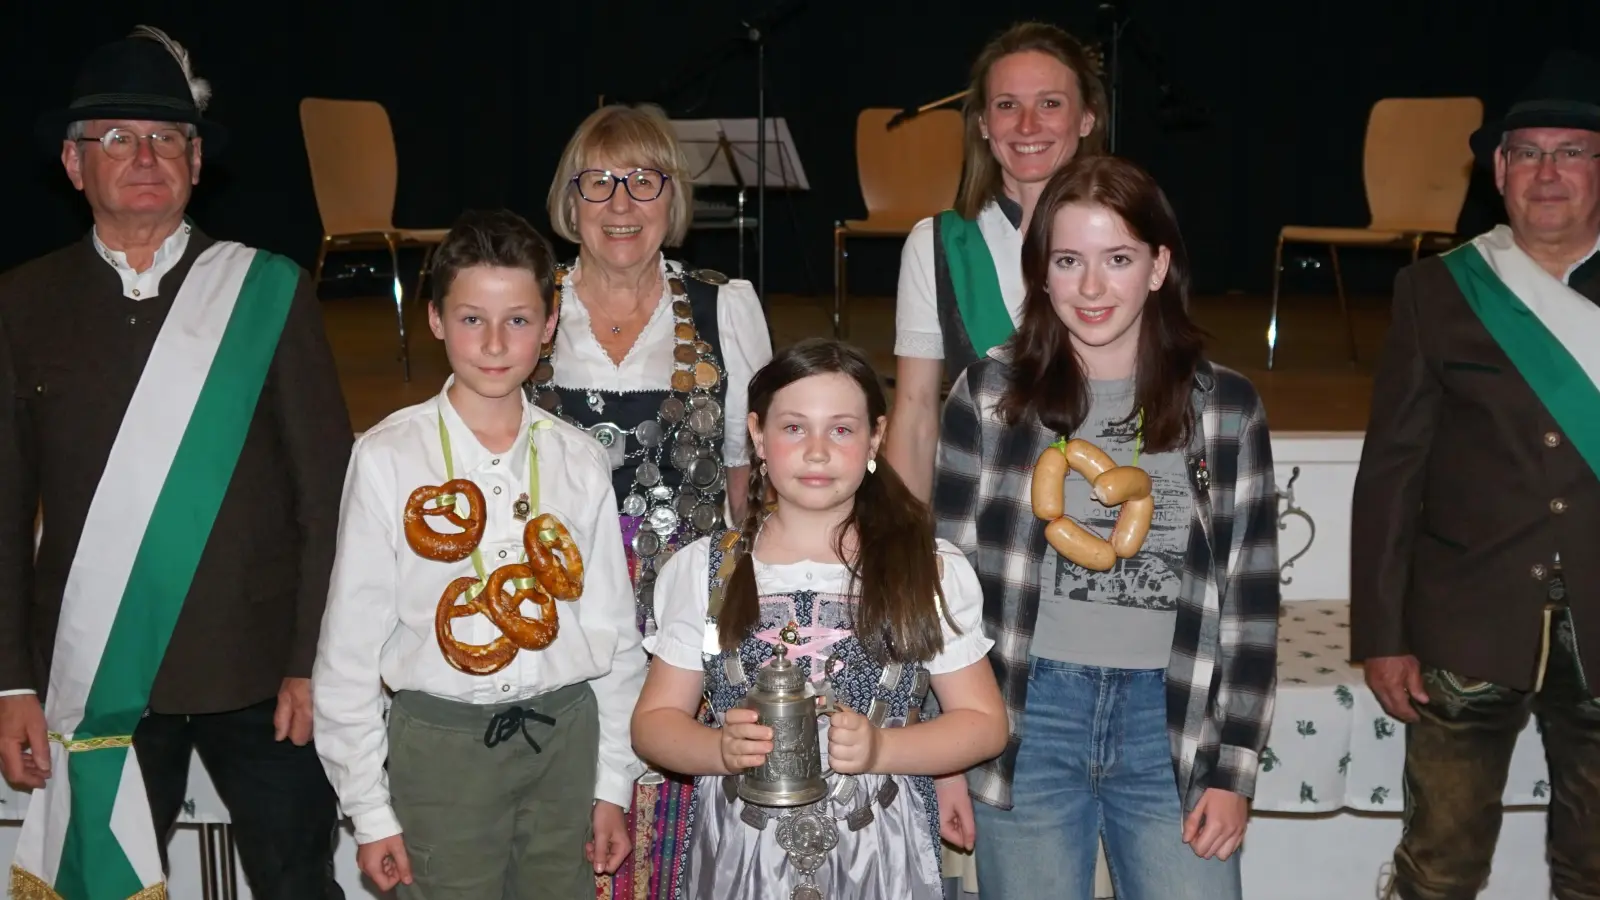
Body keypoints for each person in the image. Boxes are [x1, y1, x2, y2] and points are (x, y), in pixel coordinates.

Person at [0, 25, 351, 900]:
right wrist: (11, 681)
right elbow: (5, 510)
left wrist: (313, 659)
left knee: (298, 885)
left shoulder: (270, 291)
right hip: (101, 683)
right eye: (116, 138)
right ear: (74, 166)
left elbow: (329, 499)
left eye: (166, 138)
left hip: (263, 675)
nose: (145, 156)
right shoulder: (22, 301)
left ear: (197, 161)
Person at [933, 155, 1281, 899]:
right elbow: (945, 593)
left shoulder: (1225, 409)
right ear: (1041, 273)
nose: (1091, 288)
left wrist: (1235, 767)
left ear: (1158, 266)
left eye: (1117, 259)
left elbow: (1251, 610)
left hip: (1174, 727)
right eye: (1069, 261)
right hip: (1025, 719)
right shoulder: (988, 398)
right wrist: (945, 757)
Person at [312, 209, 647, 898]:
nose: (495, 343)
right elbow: (348, 652)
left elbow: (614, 638)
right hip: (440, 753)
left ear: (550, 324)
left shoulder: (579, 461)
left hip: (566, 740)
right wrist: (369, 810)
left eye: (519, 320)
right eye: (471, 319)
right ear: (434, 319)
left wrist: (614, 782)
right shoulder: (386, 459)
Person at [631, 337, 1008, 900]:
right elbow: (654, 721)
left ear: (875, 437)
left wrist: (884, 750)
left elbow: (983, 723)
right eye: (793, 428)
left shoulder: (927, 568)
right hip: (740, 855)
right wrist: (717, 750)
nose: (816, 451)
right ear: (757, 435)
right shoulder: (703, 570)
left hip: (881, 850)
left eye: (841, 429)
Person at [1350, 50, 1600, 900]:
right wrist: (1382, 632)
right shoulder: (1437, 290)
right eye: (1527, 152)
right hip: (1464, 620)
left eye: (1572, 152)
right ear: (1497, 171)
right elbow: (1392, 469)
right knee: (1440, 868)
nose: (1548, 173)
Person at [535, 102, 773, 899]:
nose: (622, 204)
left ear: (673, 199)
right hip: (558, 614)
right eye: (598, 183)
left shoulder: (723, 306)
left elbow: (751, 481)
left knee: (678, 846)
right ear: (570, 203)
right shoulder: (529, 309)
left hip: (686, 617)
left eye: (644, 180)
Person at [886, 21, 1108, 502]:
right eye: (1007, 106)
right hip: (984, 514)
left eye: (1050, 103)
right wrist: (899, 551)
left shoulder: (1129, 236)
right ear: (984, 123)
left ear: (1087, 118)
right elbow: (916, 412)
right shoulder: (937, 245)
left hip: (1107, 501)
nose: (1027, 126)